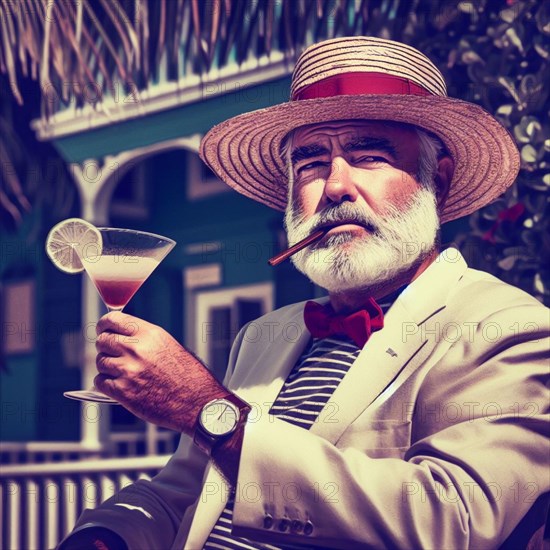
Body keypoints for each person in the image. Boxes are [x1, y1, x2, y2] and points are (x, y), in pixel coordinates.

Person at [59, 36, 549, 550]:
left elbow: (451, 521)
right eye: (311, 162)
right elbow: (184, 492)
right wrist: (106, 534)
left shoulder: (510, 328)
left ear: (439, 180)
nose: (335, 186)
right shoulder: (264, 334)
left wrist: (207, 410)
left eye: (369, 155)